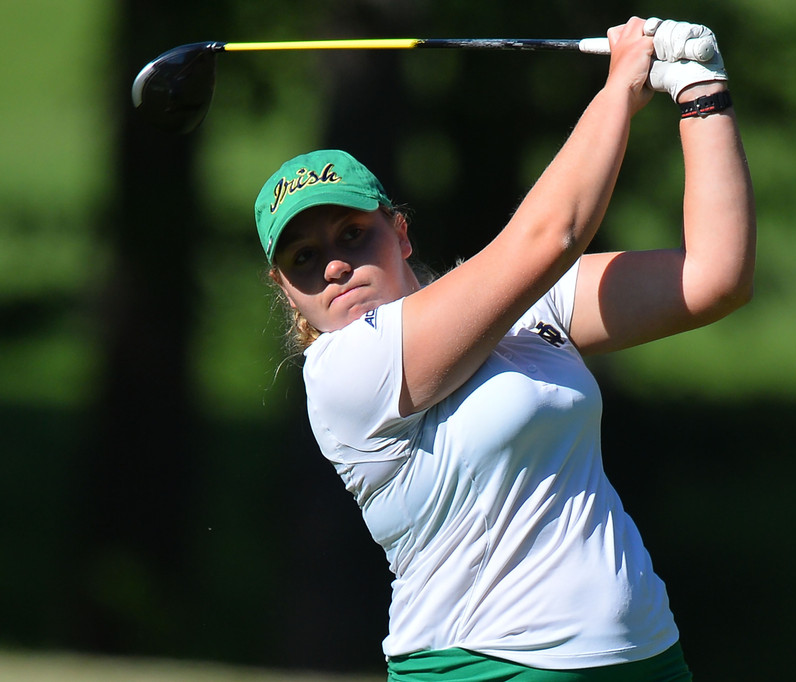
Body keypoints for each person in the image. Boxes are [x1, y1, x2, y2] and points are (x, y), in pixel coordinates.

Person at [254, 16, 755, 682]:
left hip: (647, 660)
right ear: (287, 292)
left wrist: (701, 94)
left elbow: (714, 279)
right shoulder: (345, 371)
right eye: (304, 258)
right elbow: (550, 237)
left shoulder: (524, 306)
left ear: (400, 234)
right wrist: (619, 89)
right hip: (485, 669)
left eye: (353, 235)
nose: (336, 266)